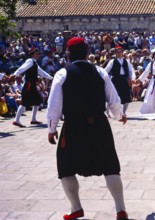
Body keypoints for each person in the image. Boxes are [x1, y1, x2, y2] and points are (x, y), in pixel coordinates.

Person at [46, 37, 129, 220]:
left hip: (74, 125)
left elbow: (54, 105)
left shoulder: (62, 74)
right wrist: (118, 115)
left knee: (66, 167)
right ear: (87, 52)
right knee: (110, 166)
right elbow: (113, 98)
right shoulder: (99, 72)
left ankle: (76, 208)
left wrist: (51, 128)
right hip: (99, 124)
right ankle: (120, 209)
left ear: (67, 53)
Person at [12, 48, 53, 127]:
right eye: (36, 53)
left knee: (37, 100)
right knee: (24, 102)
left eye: (38, 53)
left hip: (32, 85)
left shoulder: (34, 63)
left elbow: (42, 72)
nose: (38, 55)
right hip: (29, 85)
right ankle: (16, 120)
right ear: (32, 54)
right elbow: (22, 68)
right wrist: (15, 74)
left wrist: (51, 78)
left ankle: (33, 119)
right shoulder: (30, 61)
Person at [104, 45, 135, 115]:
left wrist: (133, 78)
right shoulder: (112, 61)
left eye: (120, 52)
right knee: (113, 97)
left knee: (127, 97)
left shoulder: (126, 61)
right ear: (115, 53)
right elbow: (106, 70)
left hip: (124, 80)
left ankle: (124, 112)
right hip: (115, 80)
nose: (119, 53)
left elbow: (131, 70)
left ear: (122, 52)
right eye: (117, 52)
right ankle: (107, 112)